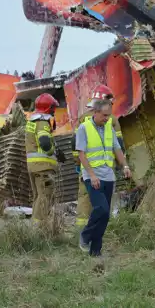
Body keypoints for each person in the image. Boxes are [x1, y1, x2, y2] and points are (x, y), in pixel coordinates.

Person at [76, 98, 131, 257]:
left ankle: (95, 251)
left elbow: (117, 149)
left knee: (105, 216)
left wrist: (125, 166)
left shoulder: (109, 128)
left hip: (108, 176)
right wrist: (92, 175)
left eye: (109, 115)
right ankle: (85, 236)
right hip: (92, 177)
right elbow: (81, 154)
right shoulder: (83, 128)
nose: (107, 118)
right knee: (102, 208)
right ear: (95, 112)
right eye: (104, 115)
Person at [71, 85, 124, 227]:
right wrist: (121, 165)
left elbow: (75, 145)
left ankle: (81, 228)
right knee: (105, 199)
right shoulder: (111, 119)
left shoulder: (82, 119)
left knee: (84, 196)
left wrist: (77, 164)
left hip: (87, 169)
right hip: (107, 169)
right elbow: (119, 145)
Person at [25, 93, 64, 223]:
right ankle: (39, 229)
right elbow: (45, 143)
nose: (54, 111)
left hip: (34, 167)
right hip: (43, 168)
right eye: (53, 108)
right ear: (48, 108)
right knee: (45, 196)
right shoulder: (42, 122)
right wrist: (53, 152)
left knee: (39, 196)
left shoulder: (32, 121)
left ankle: (35, 226)